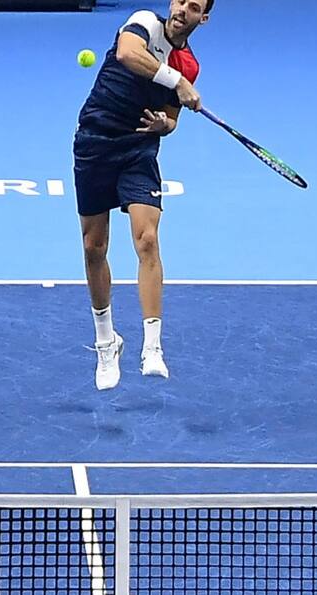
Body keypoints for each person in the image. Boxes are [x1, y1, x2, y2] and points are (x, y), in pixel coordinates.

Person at [73, 0, 212, 390]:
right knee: (94, 246)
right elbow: (127, 54)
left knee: (147, 239)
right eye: (180, 1)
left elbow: (172, 119)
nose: (182, 10)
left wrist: (164, 123)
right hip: (95, 139)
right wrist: (177, 82)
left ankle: (152, 347)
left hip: (138, 149)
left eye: (194, 7)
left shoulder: (189, 65)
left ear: (203, 18)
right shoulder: (144, 23)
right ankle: (106, 342)